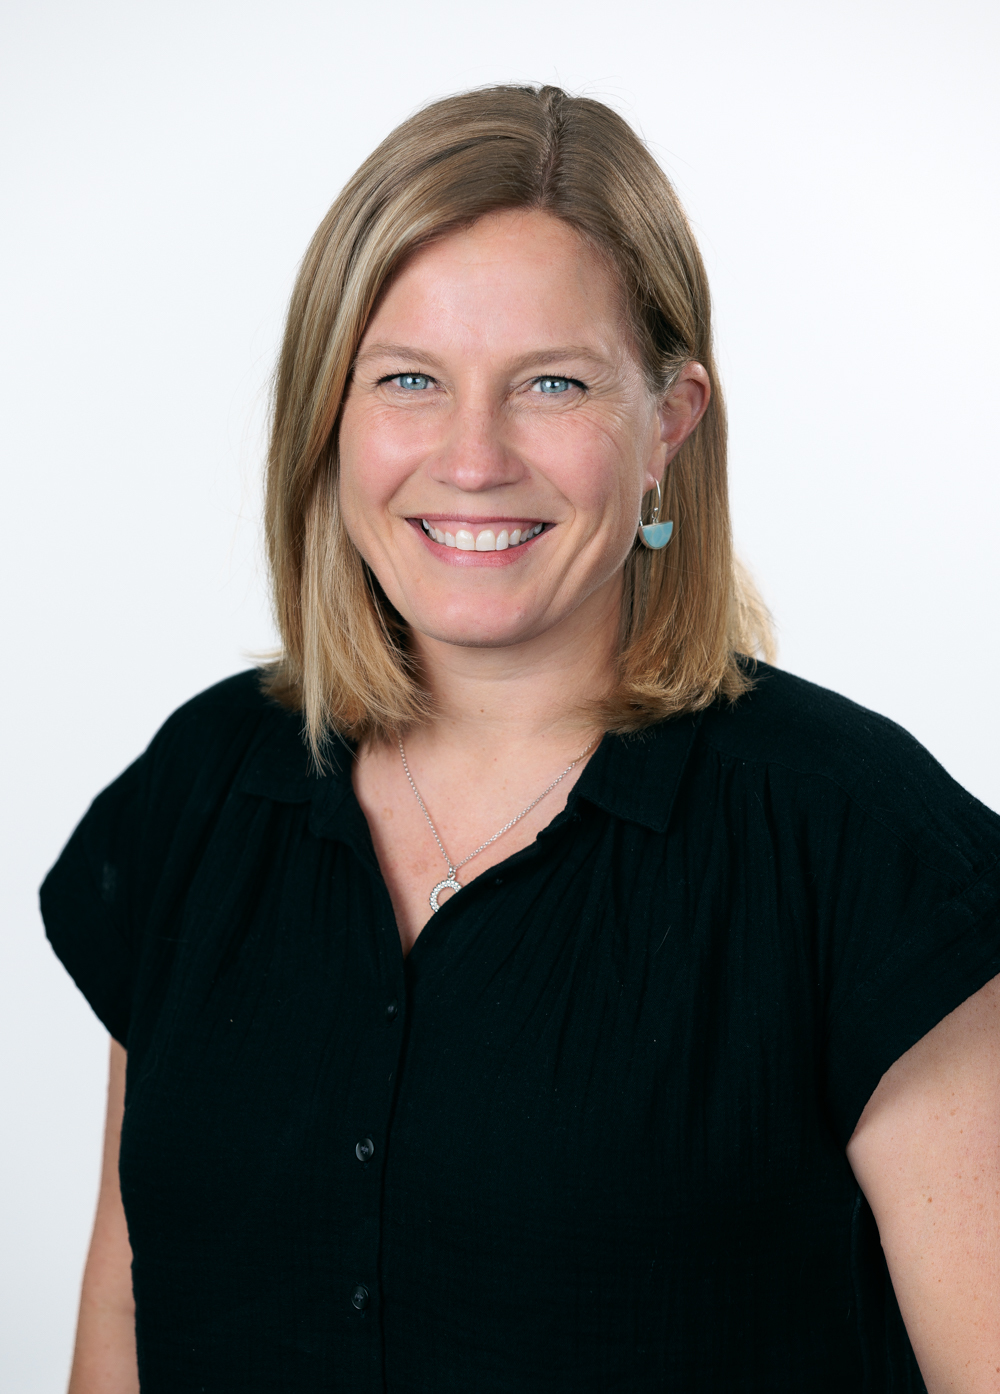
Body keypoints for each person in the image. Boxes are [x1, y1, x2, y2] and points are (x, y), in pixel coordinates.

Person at [42, 84, 1000, 1394]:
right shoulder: (201, 790)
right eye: (409, 380)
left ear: (670, 421)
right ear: (330, 414)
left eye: (552, 383)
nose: (474, 457)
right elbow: (124, 1319)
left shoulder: (864, 849)